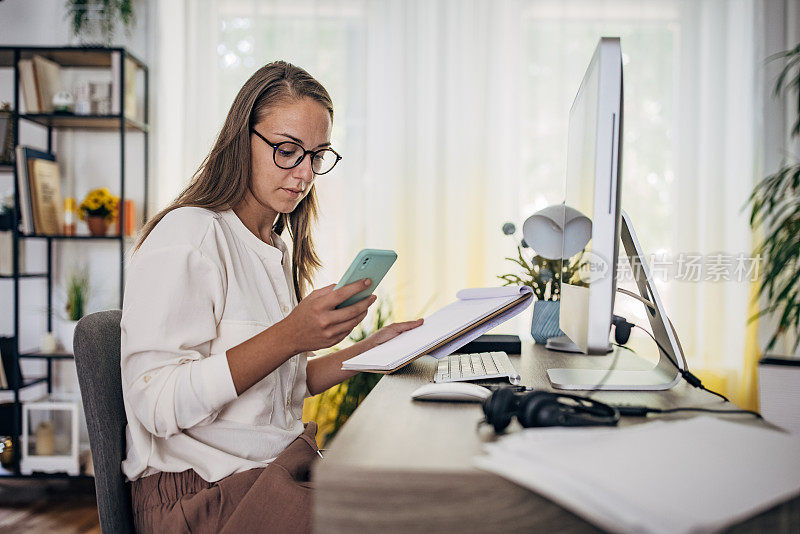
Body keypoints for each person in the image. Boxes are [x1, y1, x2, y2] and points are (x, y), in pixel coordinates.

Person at [120, 61, 423, 534]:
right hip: (202, 497)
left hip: (267, 475)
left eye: (317, 156)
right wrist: (289, 335)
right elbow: (156, 404)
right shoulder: (192, 234)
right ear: (243, 139)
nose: (304, 174)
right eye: (287, 151)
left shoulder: (274, 248)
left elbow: (276, 389)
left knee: (414, 502)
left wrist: (368, 352)